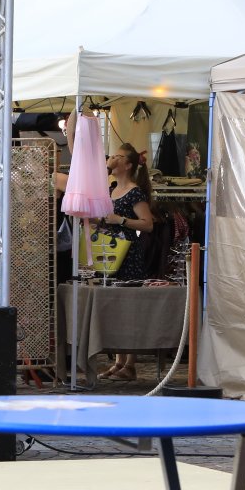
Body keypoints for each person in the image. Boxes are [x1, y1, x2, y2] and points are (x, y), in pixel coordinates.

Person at [96, 142, 157, 381]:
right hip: (111, 252)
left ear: (128, 165)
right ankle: (119, 361)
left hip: (129, 253)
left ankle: (130, 363)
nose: (112, 159)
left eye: (118, 156)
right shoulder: (111, 188)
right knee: (115, 308)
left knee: (128, 307)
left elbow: (148, 224)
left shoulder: (135, 192)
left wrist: (120, 220)